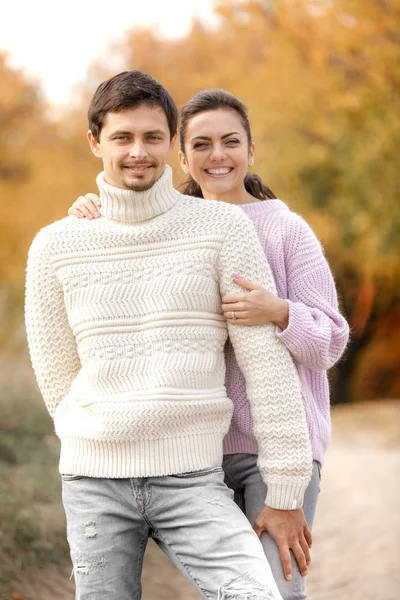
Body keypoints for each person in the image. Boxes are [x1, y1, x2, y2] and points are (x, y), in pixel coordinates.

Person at [25, 71, 314, 600]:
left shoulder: (221, 229)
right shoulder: (56, 245)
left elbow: (265, 365)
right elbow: (55, 369)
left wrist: (287, 484)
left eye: (153, 137)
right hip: (93, 485)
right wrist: (89, 434)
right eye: (122, 137)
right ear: (95, 142)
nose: (138, 151)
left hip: (194, 478)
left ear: (171, 143)